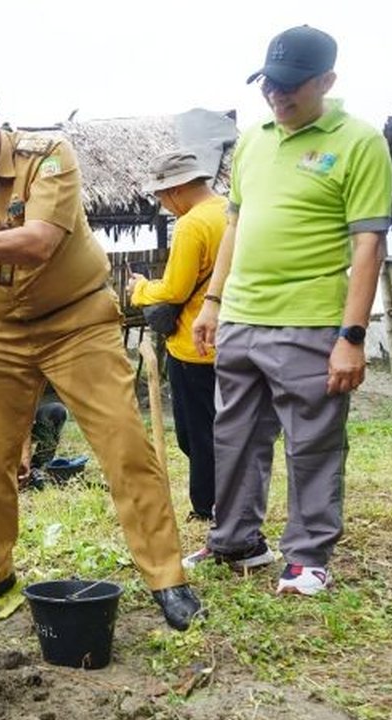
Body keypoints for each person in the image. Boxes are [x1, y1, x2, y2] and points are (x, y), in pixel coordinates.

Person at [0, 83, 202, 631]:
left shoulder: (48, 157)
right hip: (3, 332)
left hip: (78, 323)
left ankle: (167, 578)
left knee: (124, 447)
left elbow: (40, 241)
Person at [187, 26, 392, 596]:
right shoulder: (253, 140)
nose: (276, 94)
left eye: (290, 85)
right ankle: (235, 540)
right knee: (233, 436)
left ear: (326, 81)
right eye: (268, 83)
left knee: (312, 442)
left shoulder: (359, 141)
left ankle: (307, 556)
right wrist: (213, 302)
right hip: (241, 317)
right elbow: (234, 225)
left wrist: (352, 335)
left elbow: (369, 244)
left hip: (309, 319)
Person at [126, 151, 227, 523]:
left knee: (196, 433)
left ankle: (206, 507)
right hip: (235, 338)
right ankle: (230, 501)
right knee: (225, 429)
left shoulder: (191, 224)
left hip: (193, 345)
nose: (163, 204)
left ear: (177, 188)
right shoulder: (231, 212)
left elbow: (174, 289)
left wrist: (140, 289)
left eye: (162, 196)